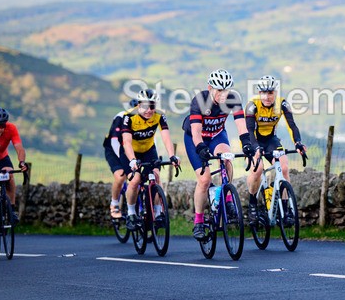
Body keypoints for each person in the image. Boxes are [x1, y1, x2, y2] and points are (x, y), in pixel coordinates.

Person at [182, 69, 256, 240]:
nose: (223, 94)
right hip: (196, 139)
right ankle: (199, 222)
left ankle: (228, 198)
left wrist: (246, 144)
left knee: (227, 157)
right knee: (205, 179)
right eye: (219, 90)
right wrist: (200, 148)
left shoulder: (233, 99)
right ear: (210, 87)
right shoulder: (200, 101)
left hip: (216, 135)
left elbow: (240, 125)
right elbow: (196, 132)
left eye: (226, 90)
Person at [244, 75, 307, 227]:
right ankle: (252, 204)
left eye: (270, 92)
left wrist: (298, 143)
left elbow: (292, 125)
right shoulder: (252, 106)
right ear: (259, 93)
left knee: (284, 168)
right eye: (263, 93)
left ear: (275, 92)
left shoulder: (282, 104)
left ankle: (286, 212)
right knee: (257, 169)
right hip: (254, 141)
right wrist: (255, 148)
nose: (267, 96)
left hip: (271, 141)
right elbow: (250, 130)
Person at [120, 89, 179, 230]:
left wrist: (172, 155)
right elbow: (127, 142)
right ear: (139, 105)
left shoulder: (159, 115)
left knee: (157, 176)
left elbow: (166, 137)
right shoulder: (129, 116)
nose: (148, 110)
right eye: (145, 106)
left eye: (152, 106)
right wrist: (133, 160)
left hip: (148, 150)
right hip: (130, 152)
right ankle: (131, 213)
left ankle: (158, 213)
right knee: (135, 180)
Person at [0, 107, 28, 237]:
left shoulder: (11, 128)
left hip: (2, 159)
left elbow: (19, 148)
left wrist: (21, 162)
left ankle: (11, 209)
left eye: (1, 126)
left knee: (9, 175)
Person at [103, 98, 138, 220]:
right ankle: (114, 204)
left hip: (130, 150)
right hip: (114, 149)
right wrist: (124, 160)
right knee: (120, 176)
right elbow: (114, 141)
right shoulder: (121, 117)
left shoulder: (144, 119)